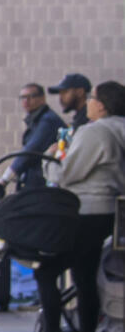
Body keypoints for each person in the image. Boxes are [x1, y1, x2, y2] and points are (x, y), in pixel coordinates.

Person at [35, 80, 125, 332]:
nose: (88, 102)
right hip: (110, 214)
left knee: (45, 272)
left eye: (92, 98)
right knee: (84, 278)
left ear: (103, 106)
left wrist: (49, 159)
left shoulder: (94, 132)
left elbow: (65, 174)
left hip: (85, 212)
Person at [0, 82, 65, 189]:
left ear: (42, 98)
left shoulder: (47, 121)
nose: (26, 100)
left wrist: (4, 180)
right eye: (23, 97)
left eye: (31, 96)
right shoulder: (38, 120)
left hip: (42, 186)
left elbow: (30, 151)